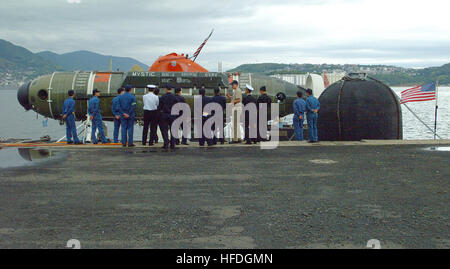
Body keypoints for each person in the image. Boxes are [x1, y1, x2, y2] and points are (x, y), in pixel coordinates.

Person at [159, 84, 178, 149]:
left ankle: (166, 143)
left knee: (164, 130)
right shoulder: (174, 97)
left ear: (166, 89)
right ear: (171, 89)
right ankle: (172, 144)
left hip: (165, 115)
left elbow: (160, 107)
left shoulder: (162, 97)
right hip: (173, 115)